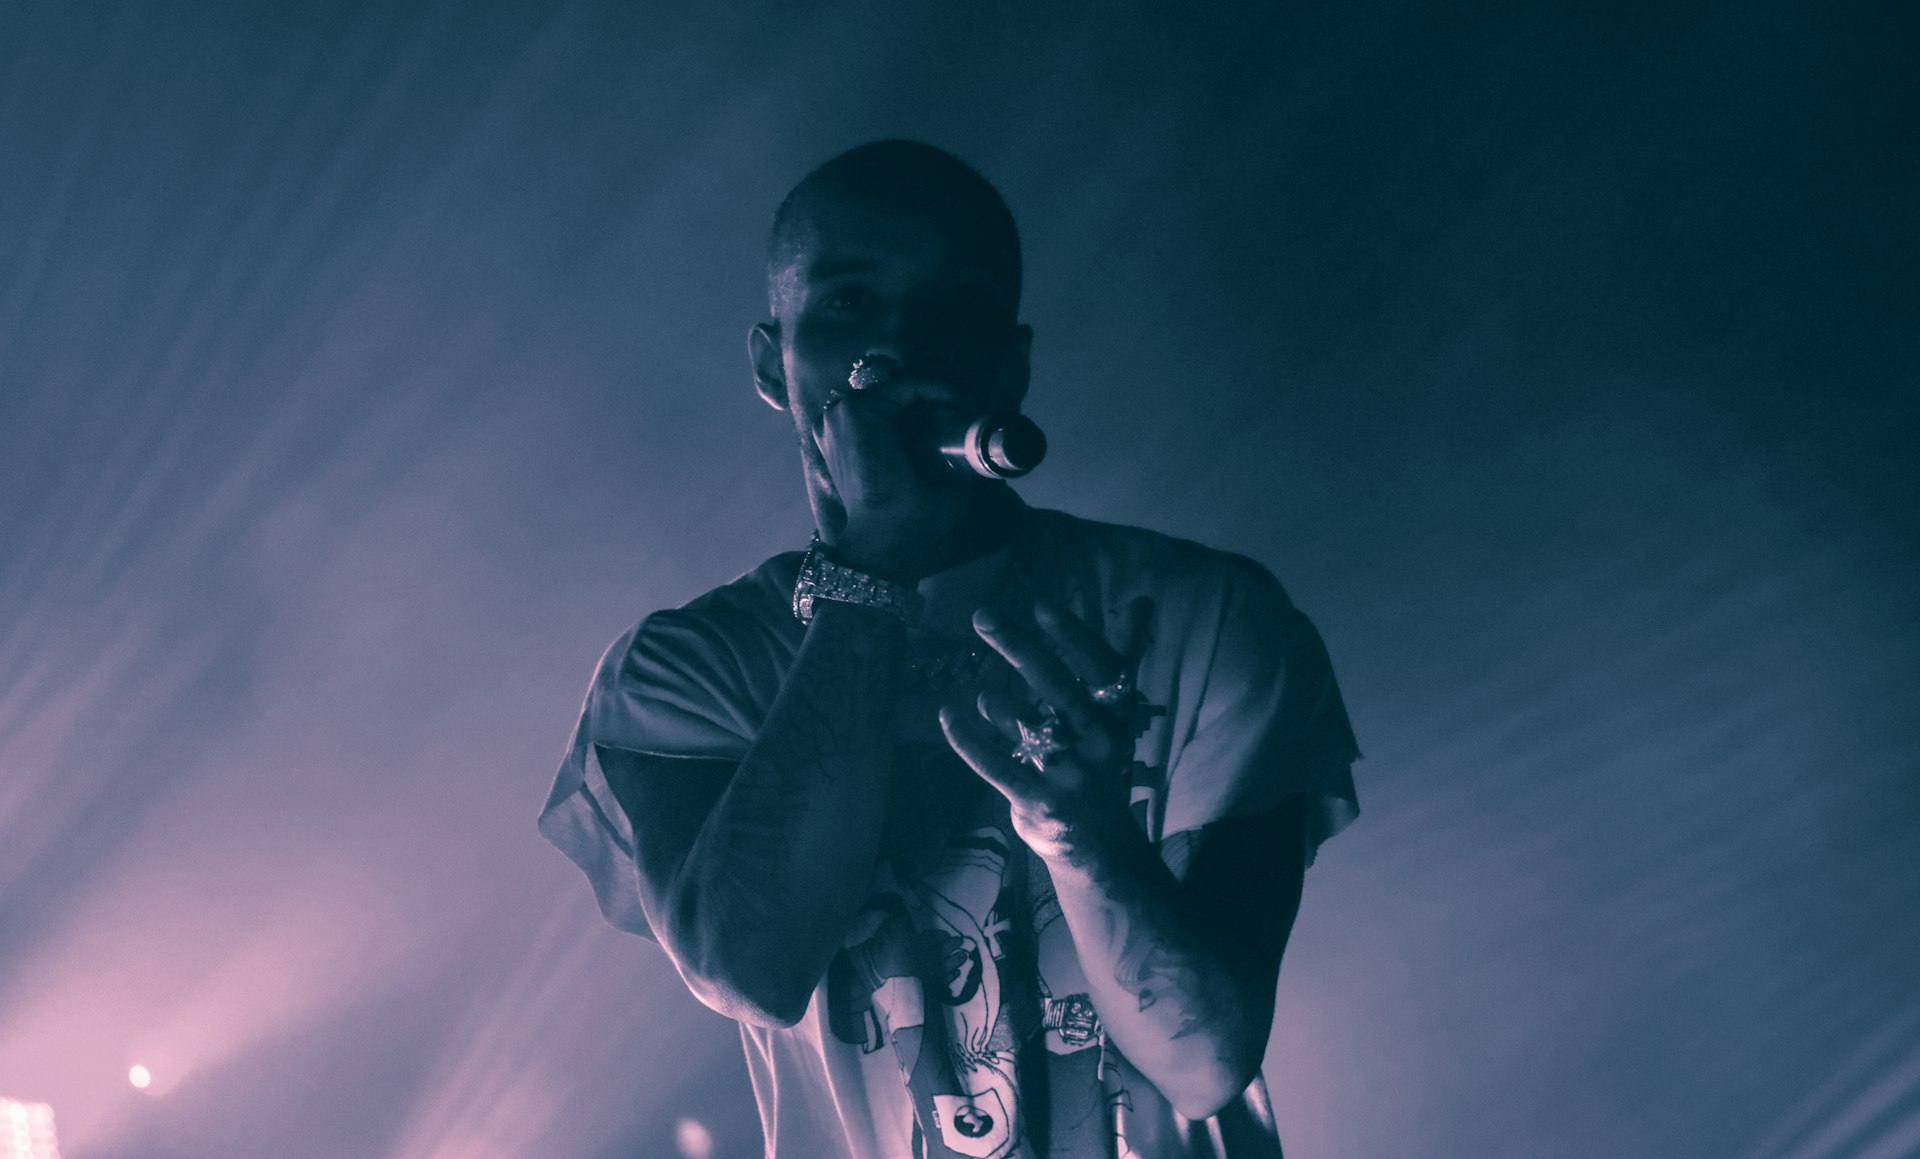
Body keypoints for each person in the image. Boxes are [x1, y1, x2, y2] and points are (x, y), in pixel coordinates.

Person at [538, 140, 1361, 1159]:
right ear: (771, 363)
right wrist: (870, 574)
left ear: (1010, 366)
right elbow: (747, 965)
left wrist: (1088, 840)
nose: (899, 354)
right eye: (847, 307)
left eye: (953, 313)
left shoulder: (1208, 618)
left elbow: (1205, 1060)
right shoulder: (684, 673)